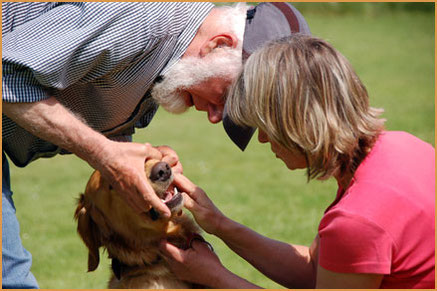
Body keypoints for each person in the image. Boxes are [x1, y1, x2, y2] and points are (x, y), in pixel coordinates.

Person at [2, 2, 310, 289]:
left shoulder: (167, 63)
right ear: (219, 44)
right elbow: (6, 71)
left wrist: (140, 163)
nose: (216, 117)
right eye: (225, 97)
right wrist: (104, 154)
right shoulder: (139, 23)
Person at [160, 35, 435, 289]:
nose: (264, 140)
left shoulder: (357, 220)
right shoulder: (406, 146)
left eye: (266, 126)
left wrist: (215, 277)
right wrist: (219, 224)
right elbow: (319, 270)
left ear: (296, 122)